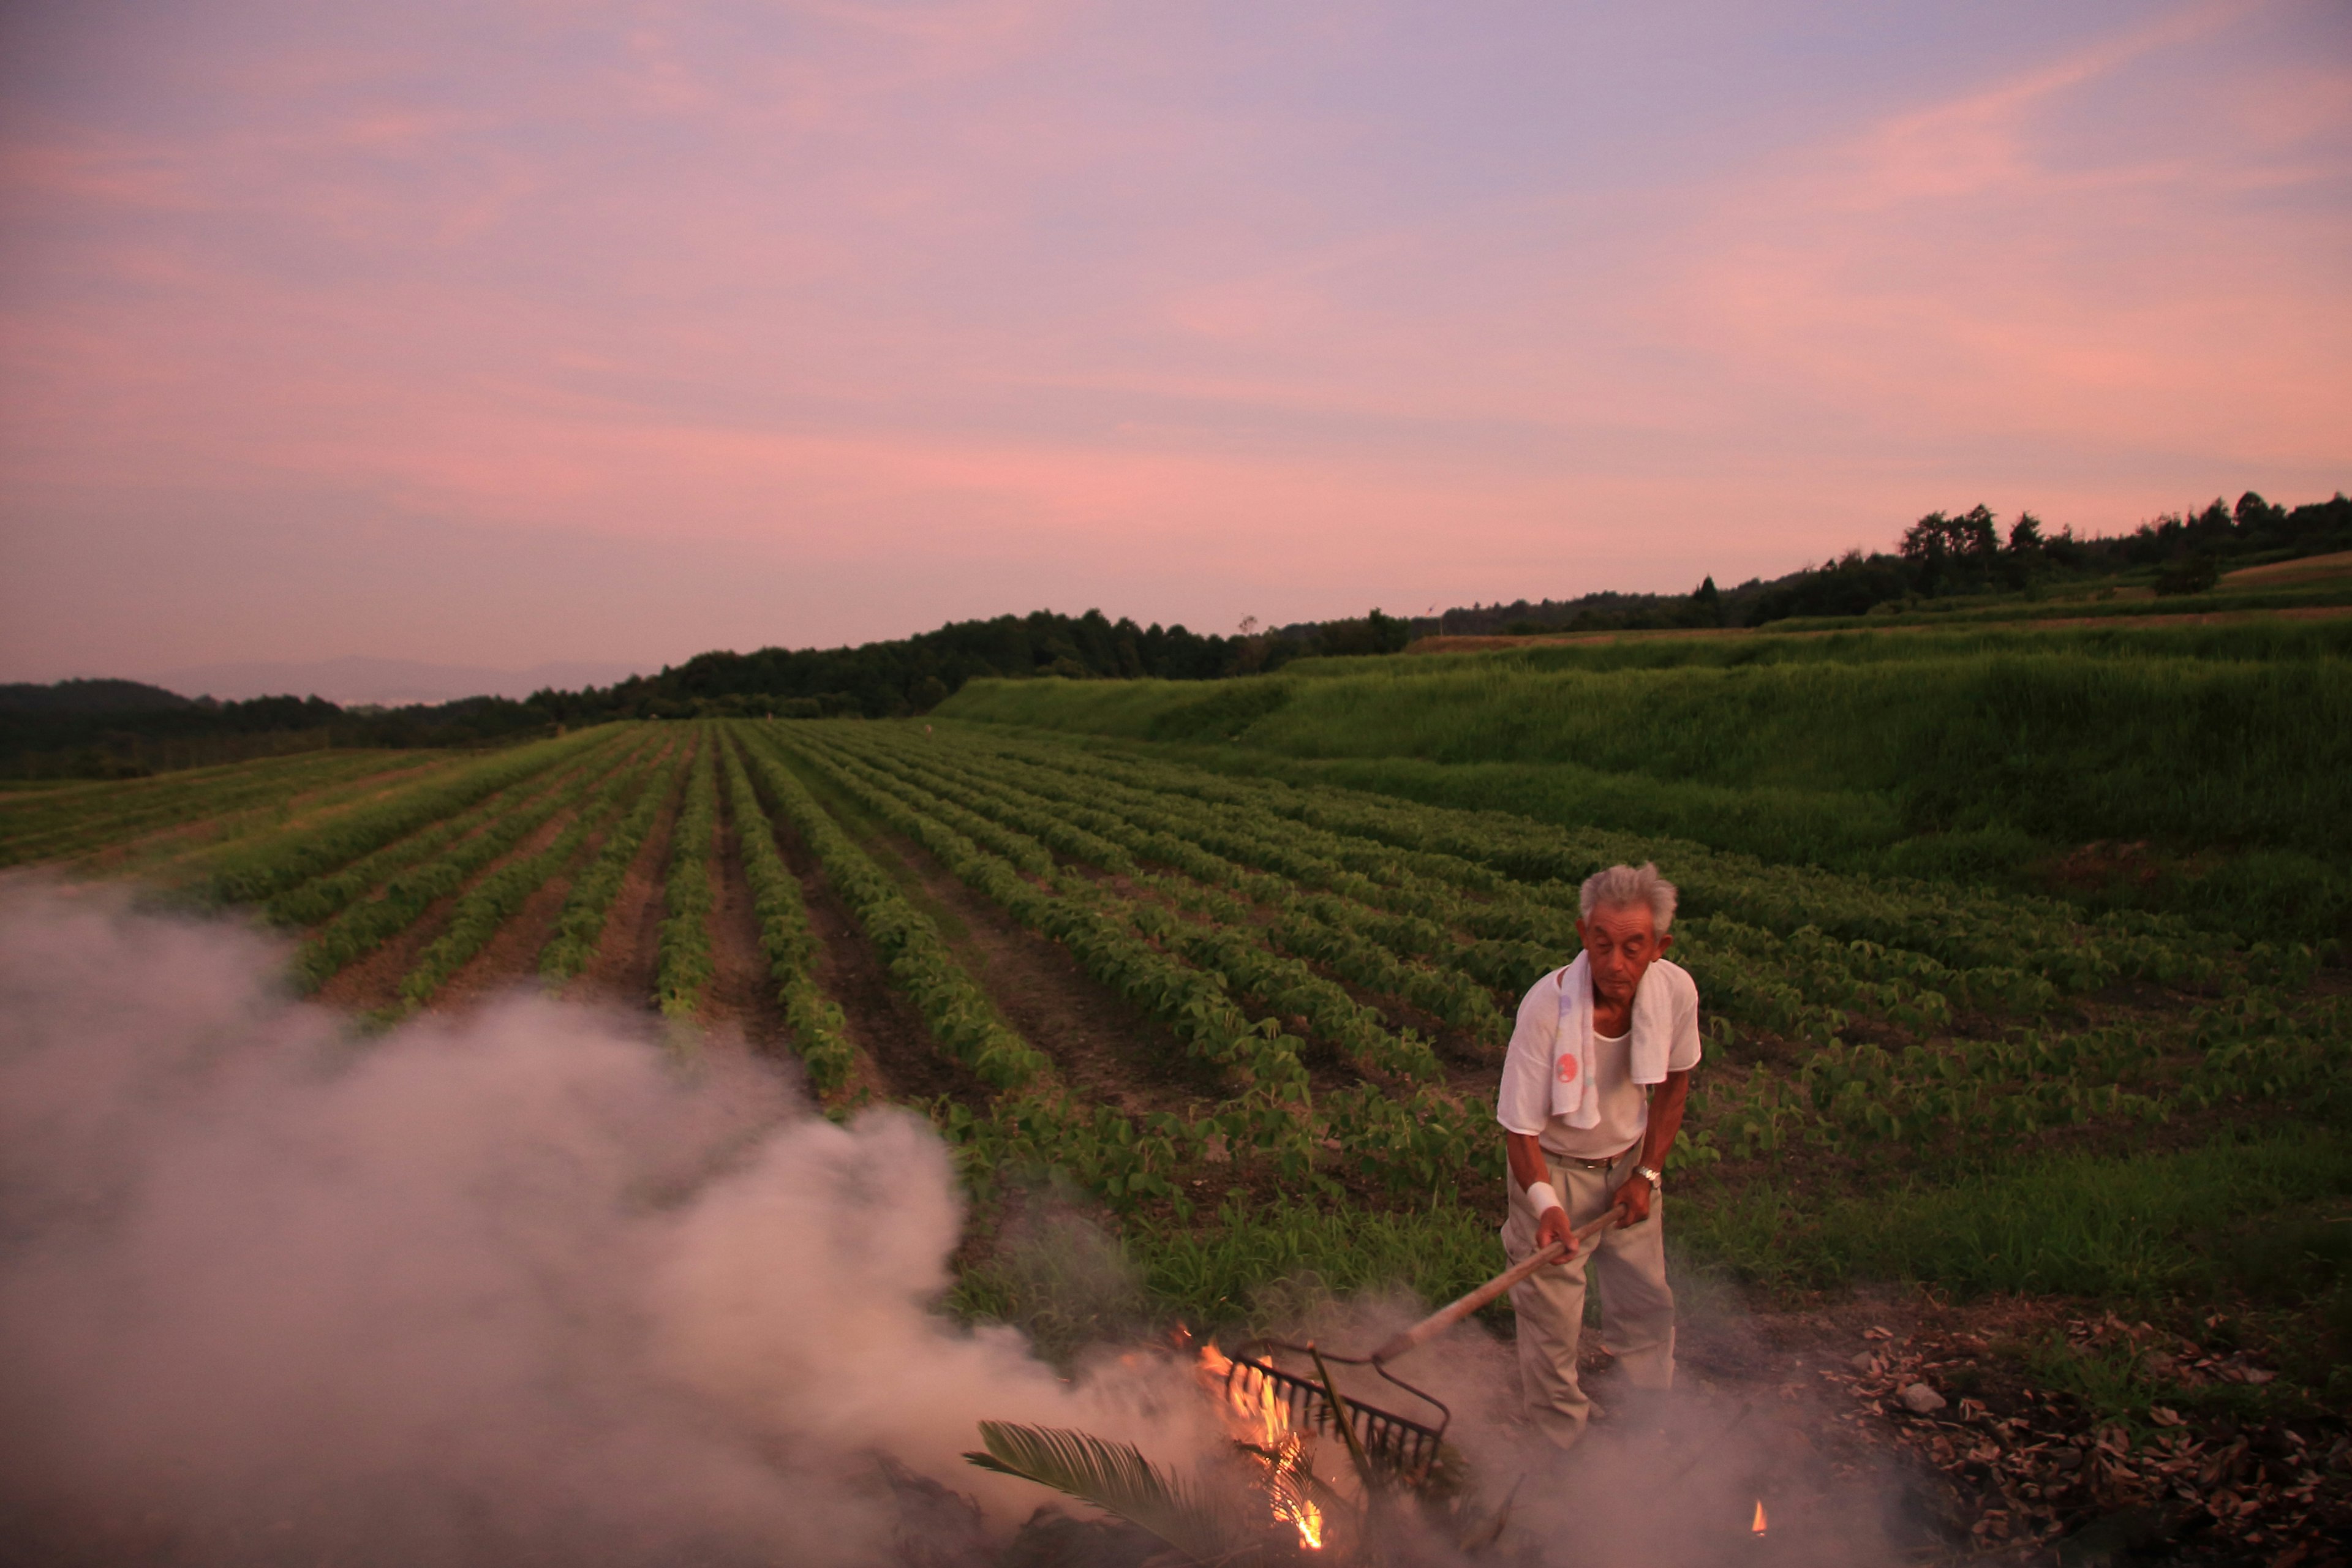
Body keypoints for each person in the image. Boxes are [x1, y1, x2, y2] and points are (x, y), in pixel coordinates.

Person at [1494, 862, 1700, 1449]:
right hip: (1552, 1171)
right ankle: (1563, 1450)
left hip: (1629, 1167)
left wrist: (1647, 1174)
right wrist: (1545, 1207)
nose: (1615, 963)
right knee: (1553, 1324)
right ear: (1584, 936)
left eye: (1633, 948)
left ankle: (1649, 1424)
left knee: (1646, 1303)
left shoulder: (1675, 994)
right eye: (1602, 944)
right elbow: (1519, 1130)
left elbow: (1676, 1085)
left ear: (1660, 947)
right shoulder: (1546, 1010)